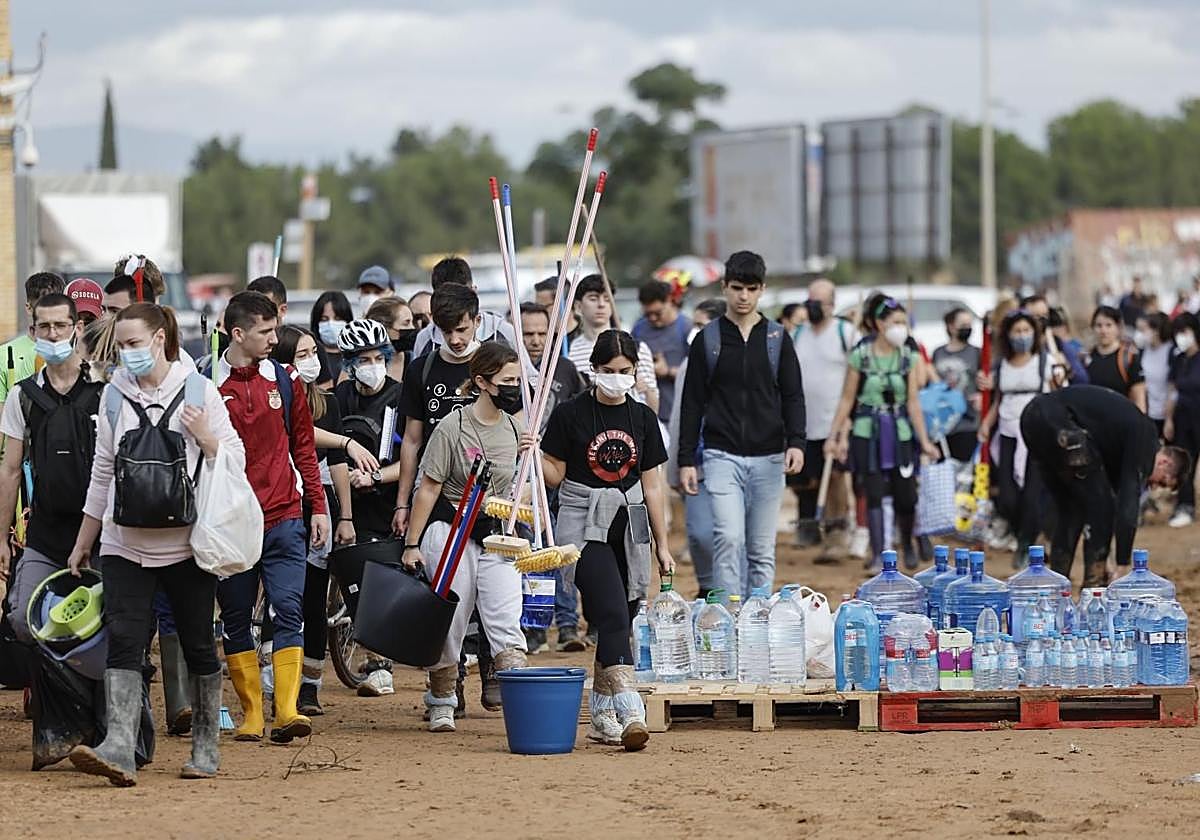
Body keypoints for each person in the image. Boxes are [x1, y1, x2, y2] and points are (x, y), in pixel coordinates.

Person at [66, 303, 242, 785]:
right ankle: (121, 746)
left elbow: (236, 459)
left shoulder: (200, 390)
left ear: (161, 339)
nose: (126, 354)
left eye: (134, 344)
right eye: (120, 346)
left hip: (186, 545)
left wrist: (207, 439)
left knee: (197, 644)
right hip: (123, 543)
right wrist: (86, 539)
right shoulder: (112, 397)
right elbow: (102, 472)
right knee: (124, 641)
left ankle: (206, 745)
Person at [536, 329, 674, 751]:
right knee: (612, 612)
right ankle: (631, 708)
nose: (617, 378)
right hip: (582, 522)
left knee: (624, 614)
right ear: (593, 370)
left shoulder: (642, 418)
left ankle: (599, 714)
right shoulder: (570, 414)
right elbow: (556, 475)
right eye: (609, 371)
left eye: (625, 371)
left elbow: (652, 485)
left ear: (635, 372)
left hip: (629, 523)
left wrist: (662, 545)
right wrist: (533, 454)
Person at [213, 292, 329, 744]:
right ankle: (251, 715)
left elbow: (304, 447)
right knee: (237, 617)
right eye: (265, 332)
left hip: (284, 516)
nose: (274, 339)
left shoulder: (284, 380)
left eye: (275, 330)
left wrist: (316, 505)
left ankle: (286, 709)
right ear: (237, 333)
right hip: (233, 523)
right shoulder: (206, 384)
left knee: (290, 610)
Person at [401, 342, 529, 733]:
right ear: (482, 382)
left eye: (518, 381)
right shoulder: (451, 428)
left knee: (507, 618)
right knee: (451, 621)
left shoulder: (516, 428)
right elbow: (429, 487)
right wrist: (411, 543)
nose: (514, 388)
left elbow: (524, 490)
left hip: (498, 536)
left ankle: (521, 701)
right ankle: (442, 698)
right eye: (507, 381)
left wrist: (530, 462)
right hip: (451, 533)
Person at [393, 283, 499, 709]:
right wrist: (403, 502)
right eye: (444, 330)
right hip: (438, 496)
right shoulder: (422, 369)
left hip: (491, 495)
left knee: (493, 590)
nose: (454, 339)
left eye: (461, 328)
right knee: (445, 589)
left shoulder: (496, 363)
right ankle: (447, 675)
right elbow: (412, 440)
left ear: (477, 320)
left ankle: (491, 664)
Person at [678, 251, 806, 596]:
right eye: (737, 288)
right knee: (729, 537)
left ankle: (758, 617)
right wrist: (687, 458)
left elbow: (793, 394)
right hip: (721, 455)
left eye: (751, 288)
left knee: (762, 548)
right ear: (724, 288)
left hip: (770, 457)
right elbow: (692, 402)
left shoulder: (778, 339)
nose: (743, 296)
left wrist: (797, 441)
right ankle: (728, 616)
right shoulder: (709, 340)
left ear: (762, 289)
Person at [0, 293, 104, 640]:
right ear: (33, 331)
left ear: (76, 327)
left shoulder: (104, 389)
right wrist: (2, 536)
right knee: (22, 620)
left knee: (109, 623)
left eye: (60, 325)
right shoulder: (23, 396)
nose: (54, 334)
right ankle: (51, 690)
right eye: (44, 326)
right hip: (45, 534)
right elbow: (10, 469)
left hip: (103, 536)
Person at [271, 326, 360, 714]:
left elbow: (335, 464)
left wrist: (346, 515)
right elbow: (302, 436)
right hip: (278, 500)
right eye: (302, 354)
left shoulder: (327, 402)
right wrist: (343, 441)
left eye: (313, 353)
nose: (311, 360)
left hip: (316, 503)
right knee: (280, 598)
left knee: (312, 599)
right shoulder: (275, 397)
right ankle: (273, 677)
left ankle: (309, 684)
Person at [1021, 386, 1187, 587]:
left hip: (1031, 418)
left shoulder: (1119, 449)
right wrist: (1123, 564)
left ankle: (1056, 588)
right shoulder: (1146, 438)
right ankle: (1094, 589)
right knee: (1103, 509)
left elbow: (1100, 499)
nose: (1153, 486)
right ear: (1165, 463)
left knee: (1071, 509)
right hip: (1060, 424)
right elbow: (1126, 505)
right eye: (1161, 481)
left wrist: (1105, 556)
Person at [826, 296, 940, 569]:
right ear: (879, 324)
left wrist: (924, 440)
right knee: (873, 491)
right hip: (868, 430)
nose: (900, 328)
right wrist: (834, 435)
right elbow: (846, 398)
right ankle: (878, 553)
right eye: (895, 322)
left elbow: (913, 401)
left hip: (899, 430)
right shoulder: (861, 355)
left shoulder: (908, 357)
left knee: (906, 493)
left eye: (904, 322)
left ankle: (909, 543)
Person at [335, 318, 406, 696]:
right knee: (356, 579)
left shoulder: (400, 396)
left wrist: (379, 478)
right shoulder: (340, 397)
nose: (373, 365)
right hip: (346, 501)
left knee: (383, 580)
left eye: (379, 357)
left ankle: (381, 663)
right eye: (364, 359)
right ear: (349, 363)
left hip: (388, 499)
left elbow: (413, 455)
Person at [519, 301, 586, 652]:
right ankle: (534, 627)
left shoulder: (566, 369)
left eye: (542, 334)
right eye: (528, 333)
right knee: (531, 552)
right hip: (521, 476)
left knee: (562, 547)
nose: (534, 340)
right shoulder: (509, 370)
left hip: (559, 472)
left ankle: (568, 624)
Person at [976, 309, 1058, 559]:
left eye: (1026, 331)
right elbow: (999, 399)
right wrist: (987, 424)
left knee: (1033, 493)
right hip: (1008, 432)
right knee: (1008, 496)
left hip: (1036, 434)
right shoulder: (1003, 365)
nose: (1021, 336)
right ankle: (1020, 532)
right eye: (1016, 331)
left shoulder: (1045, 362)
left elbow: (1057, 393)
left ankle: (1027, 544)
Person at [792, 278, 858, 549]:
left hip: (835, 419)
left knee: (835, 477)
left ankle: (837, 531)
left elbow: (856, 378)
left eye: (818, 302)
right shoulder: (799, 334)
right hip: (805, 421)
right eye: (809, 300)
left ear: (831, 305)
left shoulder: (845, 332)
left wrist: (846, 423)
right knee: (805, 478)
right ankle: (809, 527)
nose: (812, 306)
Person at [568, 274, 659, 415]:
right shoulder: (569, 352)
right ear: (578, 306)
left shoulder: (636, 348)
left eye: (607, 299)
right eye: (593, 298)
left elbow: (653, 406)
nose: (601, 304)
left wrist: (644, 388)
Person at [411, 257, 516, 356]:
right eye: (447, 331)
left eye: (461, 330)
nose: (454, 340)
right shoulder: (426, 338)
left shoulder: (502, 331)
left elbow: (526, 372)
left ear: (474, 291)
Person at [0, 272, 65, 406]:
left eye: (56, 305)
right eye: (44, 305)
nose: (50, 312)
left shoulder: (73, 353)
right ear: (29, 308)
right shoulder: (4, 355)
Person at [631, 280, 691, 422]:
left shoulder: (686, 328)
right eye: (648, 314)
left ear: (670, 301)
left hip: (677, 414)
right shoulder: (639, 328)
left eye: (658, 313)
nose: (652, 318)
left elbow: (697, 372)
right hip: (646, 412)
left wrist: (668, 371)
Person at [932, 307, 982, 462]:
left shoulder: (977, 353)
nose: (968, 328)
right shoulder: (938, 353)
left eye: (970, 324)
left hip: (967, 424)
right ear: (951, 326)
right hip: (942, 425)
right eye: (963, 324)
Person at [1165, 312, 1200, 528]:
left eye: (1185, 332)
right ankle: (1185, 506)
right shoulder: (1179, 360)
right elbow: (1172, 391)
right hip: (1183, 419)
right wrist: (1169, 419)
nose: (1181, 337)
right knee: (1185, 463)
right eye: (1178, 333)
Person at [1084, 305, 1146, 412]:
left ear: (1118, 328)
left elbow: (1139, 398)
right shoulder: (1086, 358)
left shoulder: (1129, 357)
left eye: (1109, 325)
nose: (1103, 331)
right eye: (1099, 326)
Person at [1136, 312, 1175, 439]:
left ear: (1156, 331)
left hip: (1167, 413)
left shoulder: (1171, 351)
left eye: (1143, 329)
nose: (1141, 334)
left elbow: (1173, 386)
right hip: (1148, 412)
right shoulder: (1143, 351)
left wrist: (1169, 416)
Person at [366, 296, 416, 383]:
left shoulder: (413, 359)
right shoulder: (360, 362)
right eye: (406, 323)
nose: (413, 328)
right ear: (384, 328)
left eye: (412, 322)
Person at [310, 290, 355, 381]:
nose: (331, 324)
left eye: (337, 319)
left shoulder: (356, 357)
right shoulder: (310, 357)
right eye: (324, 319)